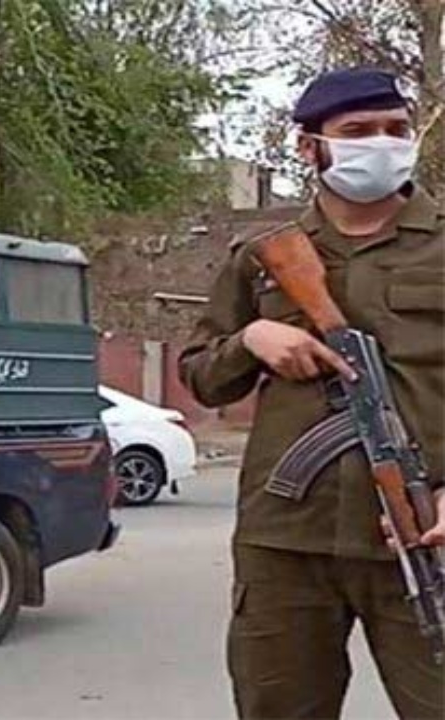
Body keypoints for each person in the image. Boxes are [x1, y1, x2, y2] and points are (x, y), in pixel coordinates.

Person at [179, 67, 445, 719]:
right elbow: (201, 375)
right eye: (357, 131)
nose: (381, 143)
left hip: (423, 531)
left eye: (396, 129)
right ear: (308, 146)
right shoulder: (262, 256)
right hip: (286, 540)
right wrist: (251, 340)